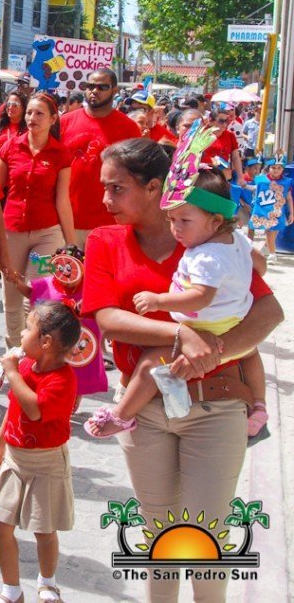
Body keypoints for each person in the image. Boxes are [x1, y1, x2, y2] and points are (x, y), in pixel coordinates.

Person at [82, 138, 281, 602]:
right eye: (104, 187)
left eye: (117, 188)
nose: (105, 199)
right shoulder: (104, 240)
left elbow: (269, 313)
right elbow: (107, 318)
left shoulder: (209, 240)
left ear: (155, 187)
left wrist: (213, 351)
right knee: (159, 535)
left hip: (216, 407)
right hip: (144, 411)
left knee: (206, 536)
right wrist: (179, 336)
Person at [85, 167, 268, 439]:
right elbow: (260, 265)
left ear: (215, 221)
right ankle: (260, 406)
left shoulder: (206, 256)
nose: (175, 228)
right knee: (250, 352)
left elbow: (201, 297)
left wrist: (159, 302)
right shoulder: (235, 240)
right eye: (171, 219)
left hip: (208, 328)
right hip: (233, 321)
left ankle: (122, 416)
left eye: (184, 220)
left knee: (150, 364)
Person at [0, 301, 80, 603]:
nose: (21, 334)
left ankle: (48, 581)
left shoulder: (62, 380)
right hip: (15, 458)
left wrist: (11, 372)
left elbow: (34, 409)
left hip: (46, 463)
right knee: (0, 524)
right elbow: (14, 405)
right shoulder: (27, 365)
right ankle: (11, 590)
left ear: (46, 342)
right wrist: (0, 441)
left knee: (44, 529)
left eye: (28, 329)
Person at [0, 93, 75, 348]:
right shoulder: (10, 147)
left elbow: (63, 200)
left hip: (47, 233)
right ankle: (15, 351)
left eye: (39, 113)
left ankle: (36, 352)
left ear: (53, 119)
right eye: (29, 112)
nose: (32, 117)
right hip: (12, 231)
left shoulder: (61, 154)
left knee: (40, 294)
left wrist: (71, 245)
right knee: (11, 296)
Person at [6, 245, 108, 407]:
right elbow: (32, 293)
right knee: (55, 367)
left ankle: (76, 395)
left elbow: (105, 305)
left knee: (81, 369)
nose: (65, 273)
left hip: (82, 339)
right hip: (56, 339)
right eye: (60, 268)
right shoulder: (48, 284)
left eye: (70, 268)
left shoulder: (91, 287)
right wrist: (17, 282)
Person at [59, 69, 142, 248]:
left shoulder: (129, 128)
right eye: (90, 86)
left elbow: (137, 176)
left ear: (114, 90)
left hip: (109, 223)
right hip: (66, 222)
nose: (94, 91)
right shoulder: (64, 122)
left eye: (102, 87)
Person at [249, 158, 293, 263]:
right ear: (269, 168)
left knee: (274, 232)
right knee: (269, 231)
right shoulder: (260, 179)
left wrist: (292, 213)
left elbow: (289, 198)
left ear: (283, 169)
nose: (276, 170)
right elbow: (255, 191)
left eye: (279, 168)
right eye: (273, 168)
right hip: (264, 210)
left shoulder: (287, 182)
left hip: (278, 211)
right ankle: (272, 254)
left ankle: (265, 248)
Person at [201, 109, 243, 177]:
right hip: (205, 175)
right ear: (211, 122)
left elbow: (235, 157)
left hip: (223, 175)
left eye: (226, 121)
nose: (224, 124)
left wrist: (240, 177)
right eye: (221, 121)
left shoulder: (230, 135)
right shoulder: (202, 134)